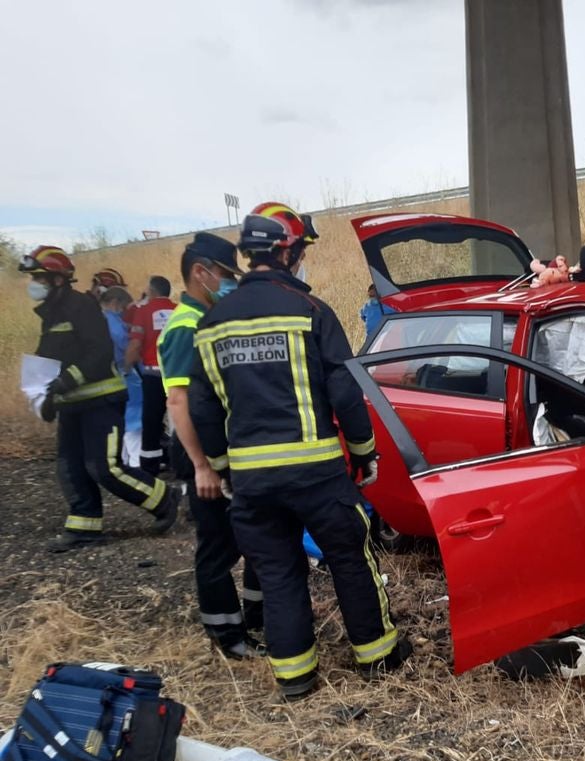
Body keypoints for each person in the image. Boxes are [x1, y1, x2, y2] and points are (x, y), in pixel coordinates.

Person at [189, 202, 410, 699]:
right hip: (316, 472)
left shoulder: (213, 323)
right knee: (351, 558)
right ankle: (376, 657)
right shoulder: (310, 310)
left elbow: (204, 409)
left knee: (279, 572)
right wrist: (364, 452)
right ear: (287, 251)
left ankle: (294, 677)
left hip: (252, 482)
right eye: (302, 249)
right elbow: (346, 391)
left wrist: (223, 469)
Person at [19, 246, 178, 551]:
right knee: (71, 467)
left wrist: (66, 380)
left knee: (105, 467)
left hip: (100, 402)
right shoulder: (50, 315)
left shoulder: (81, 307)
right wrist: (42, 391)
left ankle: (162, 498)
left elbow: (99, 351)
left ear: (58, 280)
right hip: (71, 404)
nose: (33, 284)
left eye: (39, 277)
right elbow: (50, 356)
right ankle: (84, 525)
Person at [158, 234, 264, 660]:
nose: (230, 284)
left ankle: (258, 617)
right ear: (200, 272)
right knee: (218, 545)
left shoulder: (207, 319)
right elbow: (179, 400)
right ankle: (227, 636)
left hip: (225, 452)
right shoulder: (186, 326)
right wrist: (203, 466)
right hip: (203, 456)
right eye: (225, 275)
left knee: (254, 536)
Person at [127, 275, 176, 475]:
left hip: (153, 375)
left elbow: (135, 343)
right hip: (176, 375)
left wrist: (126, 366)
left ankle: (150, 466)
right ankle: (180, 462)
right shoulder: (178, 310)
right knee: (180, 420)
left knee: (152, 421)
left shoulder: (143, 312)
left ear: (152, 291)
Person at [96, 281, 144, 464]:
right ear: (116, 302)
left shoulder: (100, 320)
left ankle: (124, 466)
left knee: (122, 429)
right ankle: (137, 467)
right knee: (134, 429)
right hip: (126, 377)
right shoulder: (113, 323)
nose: (125, 312)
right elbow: (127, 347)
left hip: (114, 380)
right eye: (124, 307)